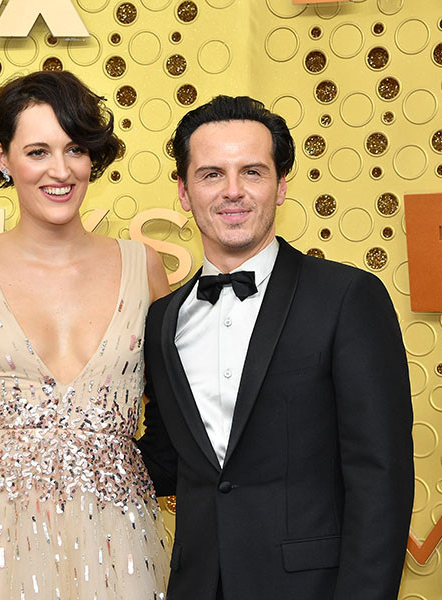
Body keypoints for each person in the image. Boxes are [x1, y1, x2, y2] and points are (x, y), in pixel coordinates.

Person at [137, 95, 414, 600]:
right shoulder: (162, 320)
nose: (233, 192)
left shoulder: (347, 298)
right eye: (211, 174)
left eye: (253, 172)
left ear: (281, 185)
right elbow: (166, 461)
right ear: (183, 190)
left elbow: (381, 477)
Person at [0, 70, 171, 599]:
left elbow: (176, 416)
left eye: (75, 149)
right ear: (1, 157)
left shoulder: (143, 266)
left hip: (118, 540)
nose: (60, 170)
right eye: (37, 151)